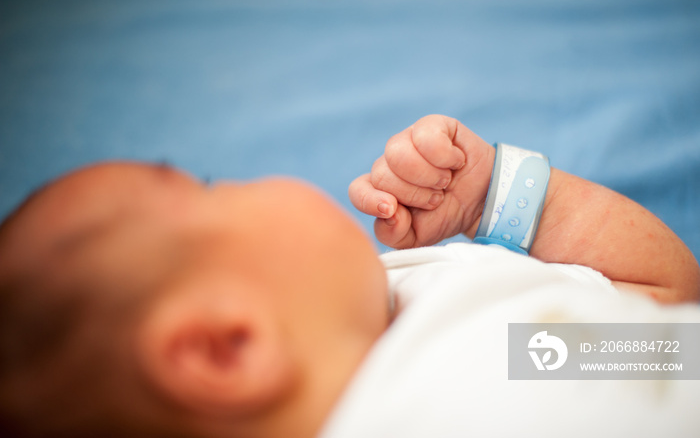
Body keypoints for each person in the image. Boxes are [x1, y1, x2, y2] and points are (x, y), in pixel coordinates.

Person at [0, 114, 698, 437]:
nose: (249, 182)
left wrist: (500, 200)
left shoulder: (420, 301)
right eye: (211, 189)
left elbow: (666, 326)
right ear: (228, 345)